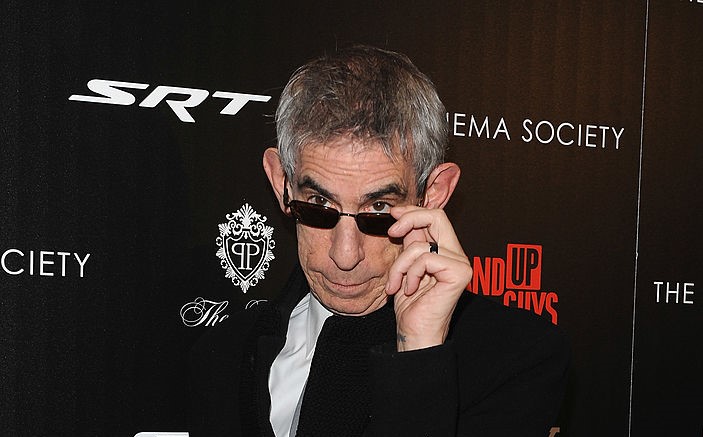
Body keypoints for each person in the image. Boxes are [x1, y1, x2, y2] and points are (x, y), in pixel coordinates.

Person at [189, 45, 569, 437]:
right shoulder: (222, 355)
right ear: (282, 183)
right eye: (320, 203)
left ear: (433, 194)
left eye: (379, 208)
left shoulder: (514, 359)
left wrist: (420, 351)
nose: (345, 254)